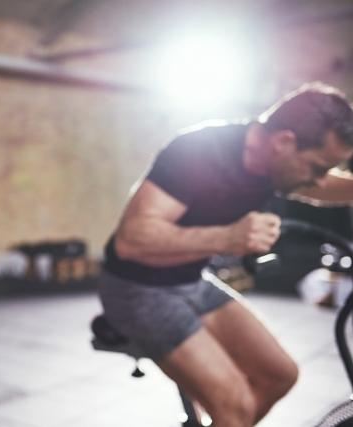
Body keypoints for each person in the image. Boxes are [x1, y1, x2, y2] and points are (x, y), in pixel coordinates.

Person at [98, 82, 353, 427]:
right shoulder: (199, 152)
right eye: (318, 168)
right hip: (136, 286)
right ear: (284, 142)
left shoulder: (273, 164)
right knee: (235, 406)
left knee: (281, 375)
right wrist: (227, 237)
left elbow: (328, 186)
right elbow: (132, 239)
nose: (320, 181)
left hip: (190, 279)